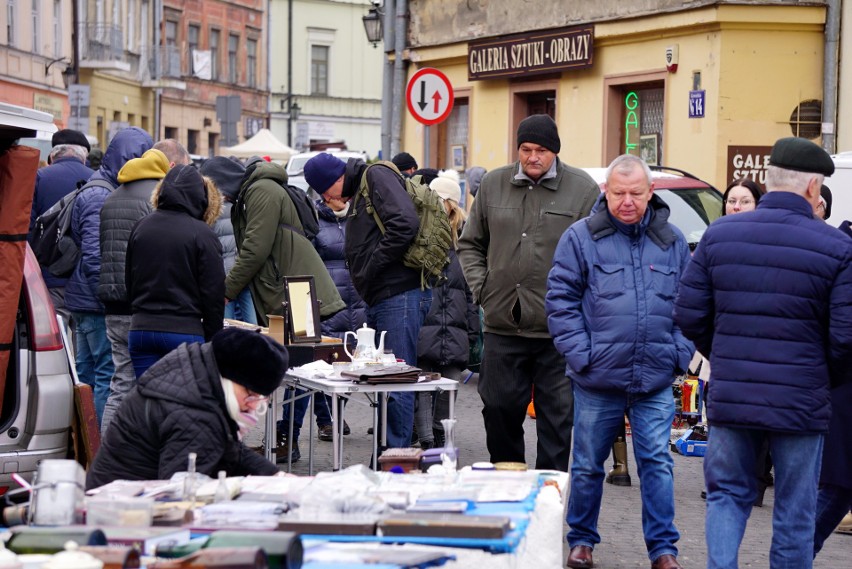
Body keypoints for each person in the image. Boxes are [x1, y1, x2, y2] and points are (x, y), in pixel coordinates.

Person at [674, 137, 852, 568]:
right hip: (802, 401)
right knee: (795, 508)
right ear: (814, 188)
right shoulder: (836, 247)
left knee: (727, 496)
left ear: (768, 182)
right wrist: (817, 373)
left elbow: (688, 313)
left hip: (734, 393)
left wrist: (726, 354)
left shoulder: (719, 235)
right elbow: (845, 337)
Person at [546, 154, 691, 569]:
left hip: (655, 378)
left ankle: (664, 550)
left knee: (658, 466)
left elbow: (692, 304)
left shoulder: (673, 241)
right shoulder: (579, 238)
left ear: (650, 194)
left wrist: (679, 353)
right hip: (596, 378)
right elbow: (560, 302)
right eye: (619, 193)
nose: (627, 201)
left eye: (636, 193)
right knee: (588, 466)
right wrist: (581, 355)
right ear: (605, 192)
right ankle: (582, 543)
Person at [457, 114, 599, 471]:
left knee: (557, 419)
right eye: (525, 149)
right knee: (499, 409)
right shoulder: (493, 184)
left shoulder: (583, 190)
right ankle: (508, 486)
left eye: (541, 150)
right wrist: (483, 290)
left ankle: (549, 494)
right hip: (503, 322)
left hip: (559, 330)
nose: (532, 157)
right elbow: (470, 244)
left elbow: (596, 255)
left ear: (555, 152)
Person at [304, 151, 430, 450]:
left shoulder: (375, 176)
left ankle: (395, 457)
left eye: (324, 190)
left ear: (336, 179)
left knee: (397, 378)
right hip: (384, 295)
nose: (325, 198)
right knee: (385, 378)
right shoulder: (363, 186)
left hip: (399, 294)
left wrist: (371, 266)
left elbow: (404, 224)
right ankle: (386, 453)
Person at [86, 327, 287, 489]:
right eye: (251, 394)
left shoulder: (197, 370)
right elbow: (183, 498)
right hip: (121, 517)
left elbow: (228, 447)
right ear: (228, 377)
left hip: (116, 497)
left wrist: (276, 475)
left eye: (261, 398)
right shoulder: (196, 415)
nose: (252, 406)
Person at [98, 142, 189, 436]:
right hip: (146, 306)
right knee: (159, 387)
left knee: (121, 382)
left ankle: (107, 453)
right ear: (171, 166)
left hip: (113, 303)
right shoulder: (157, 198)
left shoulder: (113, 194)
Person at [65, 127, 154, 426]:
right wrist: (106, 296)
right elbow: (93, 254)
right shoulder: (101, 193)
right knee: (105, 377)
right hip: (95, 302)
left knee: (87, 378)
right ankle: (102, 450)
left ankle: (86, 447)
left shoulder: (100, 186)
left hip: (87, 298)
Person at [277, 193, 367, 461]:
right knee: (306, 371)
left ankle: (328, 418)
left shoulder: (356, 220)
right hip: (318, 302)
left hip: (355, 303)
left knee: (346, 366)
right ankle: (290, 436)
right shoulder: (315, 222)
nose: (341, 196)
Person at [125, 165, 224, 378]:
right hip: (183, 330)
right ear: (201, 197)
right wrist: (213, 338)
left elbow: (130, 281)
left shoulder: (141, 226)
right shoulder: (202, 234)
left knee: (148, 402)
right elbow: (213, 293)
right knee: (183, 403)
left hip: (142, 328)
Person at [224, 158, 344, 328]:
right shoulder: (262, 189)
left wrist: (228, 289)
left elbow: (255, 248)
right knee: (294, 347)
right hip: (291, 286)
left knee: (298, 348)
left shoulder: (262, 190)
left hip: (294, 288)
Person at [415, 170, 479, 449]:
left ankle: (440, 442)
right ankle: (428, 444)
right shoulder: (418, 239)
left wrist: (473, 335)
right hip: (423, 330)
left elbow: (471, 296)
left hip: (455, 332)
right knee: (422, 392)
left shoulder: (466, 246)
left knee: (448, 391)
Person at [28, 129, 93, 334]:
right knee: (85, 353)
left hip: (50, 276)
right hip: (87, 281)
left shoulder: (39, 177)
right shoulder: (97, 180)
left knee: (55, 338)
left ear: (53, 155)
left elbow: (27, 228)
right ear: (84, 156)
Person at [200, 156, 256, 324]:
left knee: (226, 323)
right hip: (242, 274)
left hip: (221, 278)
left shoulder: (210, 209)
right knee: (253, 325)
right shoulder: (240, 208)